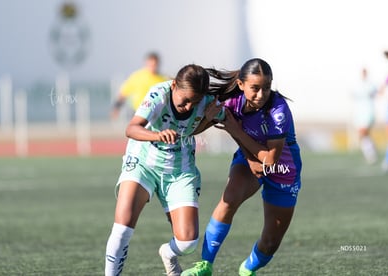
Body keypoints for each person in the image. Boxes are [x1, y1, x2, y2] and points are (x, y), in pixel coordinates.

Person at [181, 58, 302, 276]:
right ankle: (205, 265)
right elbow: (195, 129)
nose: (261, 94)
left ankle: (247, 269)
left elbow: (269, 161)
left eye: (266, 87)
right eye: (255, 88)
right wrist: (204, 119)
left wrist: (234, 130)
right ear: (241, 85)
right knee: (229, 199)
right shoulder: (230, 101)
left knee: (270, 242)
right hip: (247, 159)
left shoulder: (278, 111)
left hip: (283, 170)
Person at [104, 64, 224, 276]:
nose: (188, 107)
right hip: (143, 163)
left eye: (194, 102)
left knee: (188, 242)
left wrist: (210, 118)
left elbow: (195, 127)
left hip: (180, 170)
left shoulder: (206, 103)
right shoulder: (158, 94)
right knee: (122, 228)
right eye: (185, 100)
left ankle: (168, 253)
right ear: (175, 85)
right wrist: (157, 135)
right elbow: (131, 128)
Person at [110, 52, 168, 119]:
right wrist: (116, 107)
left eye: (155, 65)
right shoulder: (137, 77)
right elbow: (123, 93)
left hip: (156, 114)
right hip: (138, 112)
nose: (153, 67)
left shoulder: (163, 79)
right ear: (146, 63)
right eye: (151, 65)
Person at [351, 67, 378, 164]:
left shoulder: (371, 85)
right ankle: (372, 150)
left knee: (363, 133)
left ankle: (371, 154)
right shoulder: (356, 85)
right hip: (359, 113)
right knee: (363, 135)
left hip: (368, 112)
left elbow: (375, 93)